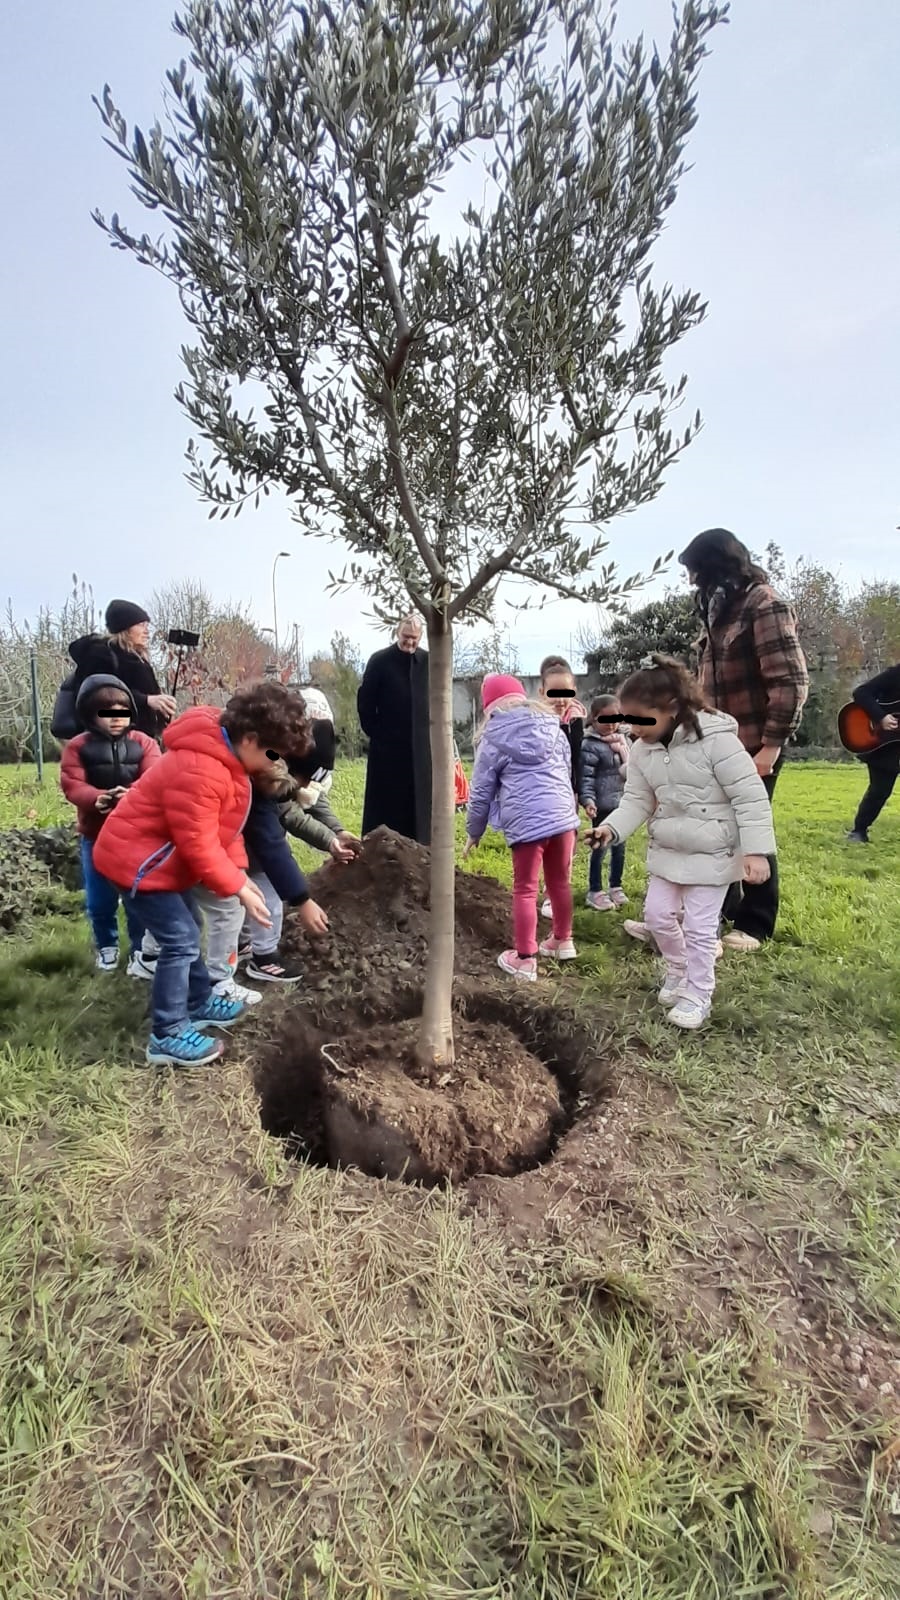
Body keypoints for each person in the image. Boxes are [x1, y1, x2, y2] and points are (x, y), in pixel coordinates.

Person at [94, 681, 308, 1067]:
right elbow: (198, 844)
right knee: (180, 941)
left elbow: (224, 830)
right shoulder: (202, 770)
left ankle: (198, 1000)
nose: (276, 762)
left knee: (188, 928)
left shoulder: (228, 760)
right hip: (138, 864)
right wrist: (238, 887)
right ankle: (168, 1032)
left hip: (157, 861)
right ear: (250, 738)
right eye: (273, 753)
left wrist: (239, 874)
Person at [623, 530, 807, 953]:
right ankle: (698, 914)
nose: (690, 581)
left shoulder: (764, 605)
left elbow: (789, 681)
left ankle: (754, 924)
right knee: (705, 825)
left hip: (755, 742)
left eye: (695, 571)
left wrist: (771, 746)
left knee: (747, 824)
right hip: (712, 740)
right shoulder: (718, 611)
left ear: (718, 565)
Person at [591, 656, 775, 1030]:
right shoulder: (643, 750)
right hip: (669, 852)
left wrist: (756, 852)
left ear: (672, 708)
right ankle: (677, 970)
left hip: (714, 854)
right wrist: (610, 830)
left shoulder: (717, 742)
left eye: (642, 718)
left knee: (699, 928)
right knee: (657, 916)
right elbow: (637, 801)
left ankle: (698, 993)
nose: (633, 728)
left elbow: (750, 796)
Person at [463, 673, 579, 981]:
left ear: (488, 706)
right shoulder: (553, 726)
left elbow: (481, 792)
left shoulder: (493, 738)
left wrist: (474, 832)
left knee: (525, 889)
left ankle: (525, 959)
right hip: (563, 818)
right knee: (560, 883)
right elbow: (566, 770)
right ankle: (562, 940)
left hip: (528, 825)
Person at [59, 675, 161, 973]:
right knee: (99, 900)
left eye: (122, 711)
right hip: (96, 835)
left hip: (136, 837)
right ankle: (106, 946)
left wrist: (133, 796)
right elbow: (72, 784)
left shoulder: (144, 743)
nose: (116, 719)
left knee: (136, 897)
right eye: (107, 713)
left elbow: (154, 778)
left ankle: (141, 949)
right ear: (91, 714)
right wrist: (98, 798)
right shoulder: (78, 747)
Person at [358, 617, 432, 844]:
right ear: (397, 634)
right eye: (406, 637)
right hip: (387, 748)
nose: (410, 643)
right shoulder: (379, 661)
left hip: (420, 751)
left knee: (419, 807)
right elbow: (365, 701)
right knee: (385, 806)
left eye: (414, 638)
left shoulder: (428, 662)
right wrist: (377, 733)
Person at [68, 601, 176, 740]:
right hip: (111, 741)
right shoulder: (100, 655)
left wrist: (162, 714)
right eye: (141, 625)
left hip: (142, 740)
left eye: (147, 626)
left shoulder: (138, 658)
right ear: (125, 627)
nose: (147, 631)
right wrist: (146, 700)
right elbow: (99, 698)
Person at [537, 654, 586, 919]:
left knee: (565, 844)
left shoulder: (575, 719)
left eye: (565, 692)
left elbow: (579, 759)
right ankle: (538, 886)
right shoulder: (534, 719)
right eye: (553, 692)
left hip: (567, 792)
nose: (560, 698)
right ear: (542, 692)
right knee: (541, 841)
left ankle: (554, 893)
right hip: (540, 792)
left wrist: (582, 793)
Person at [579, 693, 629, 911]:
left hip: (621, 805)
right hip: (601, 806)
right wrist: (588, 800)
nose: (611, 724)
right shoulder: (590, 745)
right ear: (594, 718)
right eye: (604, 719)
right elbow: (586, 777)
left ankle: (615, 886)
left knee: (619, 849)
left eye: (615, 718)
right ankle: (595, 890)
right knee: (600, 849)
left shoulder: (622, 740)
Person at [846, 663, 900, 843]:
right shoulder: (896, 674)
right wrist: (881, 717)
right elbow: (861, 693)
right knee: (880, 790)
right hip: (883, 744)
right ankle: (859, 831)